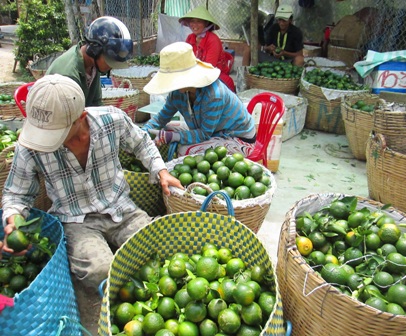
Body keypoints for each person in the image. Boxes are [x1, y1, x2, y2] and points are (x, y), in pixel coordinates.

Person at [1, 74, 182, 291]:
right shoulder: (30, 145)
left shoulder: (111, 120)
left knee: (162, 250)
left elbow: (141, 142)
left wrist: (161, 170)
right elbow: (16, 194)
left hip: (120, 209)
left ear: (81, 117)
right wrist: (14, 221)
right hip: (76, 220)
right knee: (100, 273)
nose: (45, 140)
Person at [142, 42, 256, 157]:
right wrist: (143, 133)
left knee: (185, 150)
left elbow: (204, 134)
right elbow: (161, 118)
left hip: (237, 138)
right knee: (166, 127)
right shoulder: (177, 93)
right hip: (211, 131)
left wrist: (172, 137)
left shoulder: (214, 95)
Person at [46, 16, 133, 107]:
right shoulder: (69, 75)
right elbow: (69, 117)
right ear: (95, 49)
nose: (111, 66)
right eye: (109, 60)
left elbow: (96, 103)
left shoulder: (93, 65)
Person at [179, 6, 236, 93]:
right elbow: (185, 59)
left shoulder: (213, 40)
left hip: (216, 78)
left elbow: (209, 67)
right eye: (192, 21)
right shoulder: (190, 38)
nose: (195, 25)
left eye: (199, 21)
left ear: (206, 24)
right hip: (196, 76)